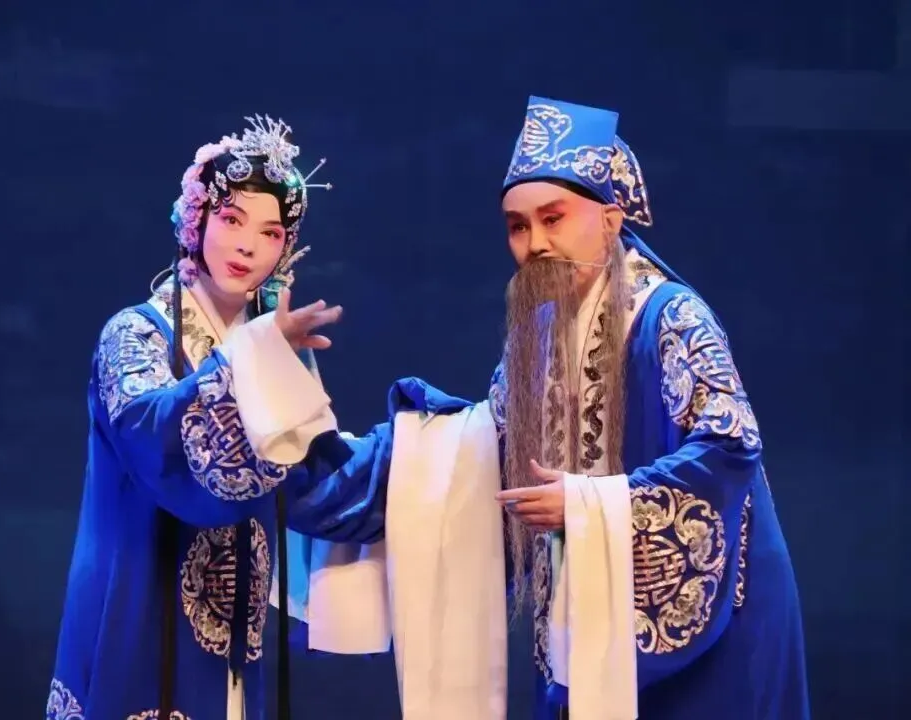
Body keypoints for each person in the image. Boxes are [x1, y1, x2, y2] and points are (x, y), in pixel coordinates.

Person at [236, 97, 810, 719]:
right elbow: (485, 448)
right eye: (518, 226)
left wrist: (589, 505)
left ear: (611, 220)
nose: (535, 243)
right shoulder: (537, 335)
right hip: (591, 609)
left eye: (553, 219)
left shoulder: (672, 316)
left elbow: (729, 444)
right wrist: (311, 444)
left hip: (719, 618)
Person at [46, 114, 351, 720]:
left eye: (270, 232)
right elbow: (152, 432)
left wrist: (436, 445)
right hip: (139, 605)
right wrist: (255, 358)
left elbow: (314, 479)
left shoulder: (273, 347)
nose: (247, 246)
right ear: (196, 220)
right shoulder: (135, 335)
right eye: (232, 219)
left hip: (236, 630)